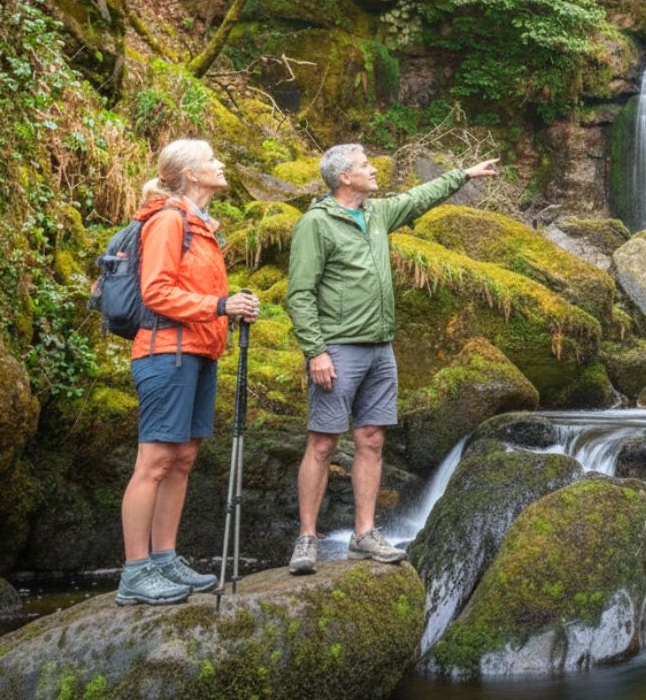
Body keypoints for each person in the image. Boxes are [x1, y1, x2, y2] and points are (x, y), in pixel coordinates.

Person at [285, 144, 500, 572]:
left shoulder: (378, 215)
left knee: (372, 440)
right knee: (324, 442)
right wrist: (316, 351)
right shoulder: (316, 224)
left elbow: (420, 197)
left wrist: (464, 174)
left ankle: (364, 533)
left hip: (381, 349)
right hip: (338, 349)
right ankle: (307, 538)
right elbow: (300, 293)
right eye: (365, 166)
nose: (373, 169)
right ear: (344, 177)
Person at [115, 139, 261, 606]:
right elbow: (156, 292)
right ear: (192, 175)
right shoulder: (167, 221)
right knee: (155, 462)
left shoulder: (201, 227)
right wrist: (219, 305)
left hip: (198, 352)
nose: (222, 164)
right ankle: (135, 572)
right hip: (165, 353)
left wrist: (230, 309)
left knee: (182, 460)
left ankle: (164, 558)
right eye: (213, 160)